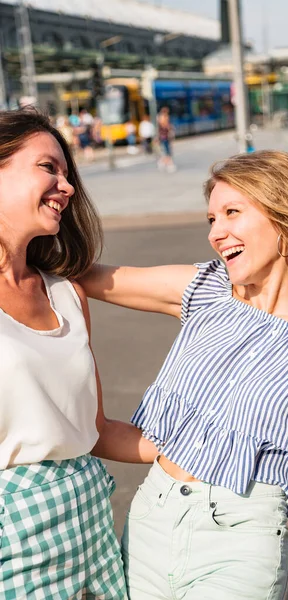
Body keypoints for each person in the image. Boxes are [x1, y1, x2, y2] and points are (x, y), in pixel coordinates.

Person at [80, 150, 288, 600]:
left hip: (240, 542)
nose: (216, 232)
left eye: (233, 212)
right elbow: (83, 276)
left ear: (286, 218)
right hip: (150, 521)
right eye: (212, 218)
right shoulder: (206, 288)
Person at [0, 108, 158, 598]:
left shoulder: (67, 294)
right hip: (12, 532)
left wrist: (199, 456)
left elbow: (95, 431)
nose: (67, 187)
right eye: (49, 167)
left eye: (68, 175)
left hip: (87, 522)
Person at [156, 106, 176, 173]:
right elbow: (164, 126)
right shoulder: (162, 117)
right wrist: (169, 127)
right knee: (167, 152)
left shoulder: (161, 117)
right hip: (164, 137)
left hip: (166, 137)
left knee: (167, 151)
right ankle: (169, 165)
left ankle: (162, 162)